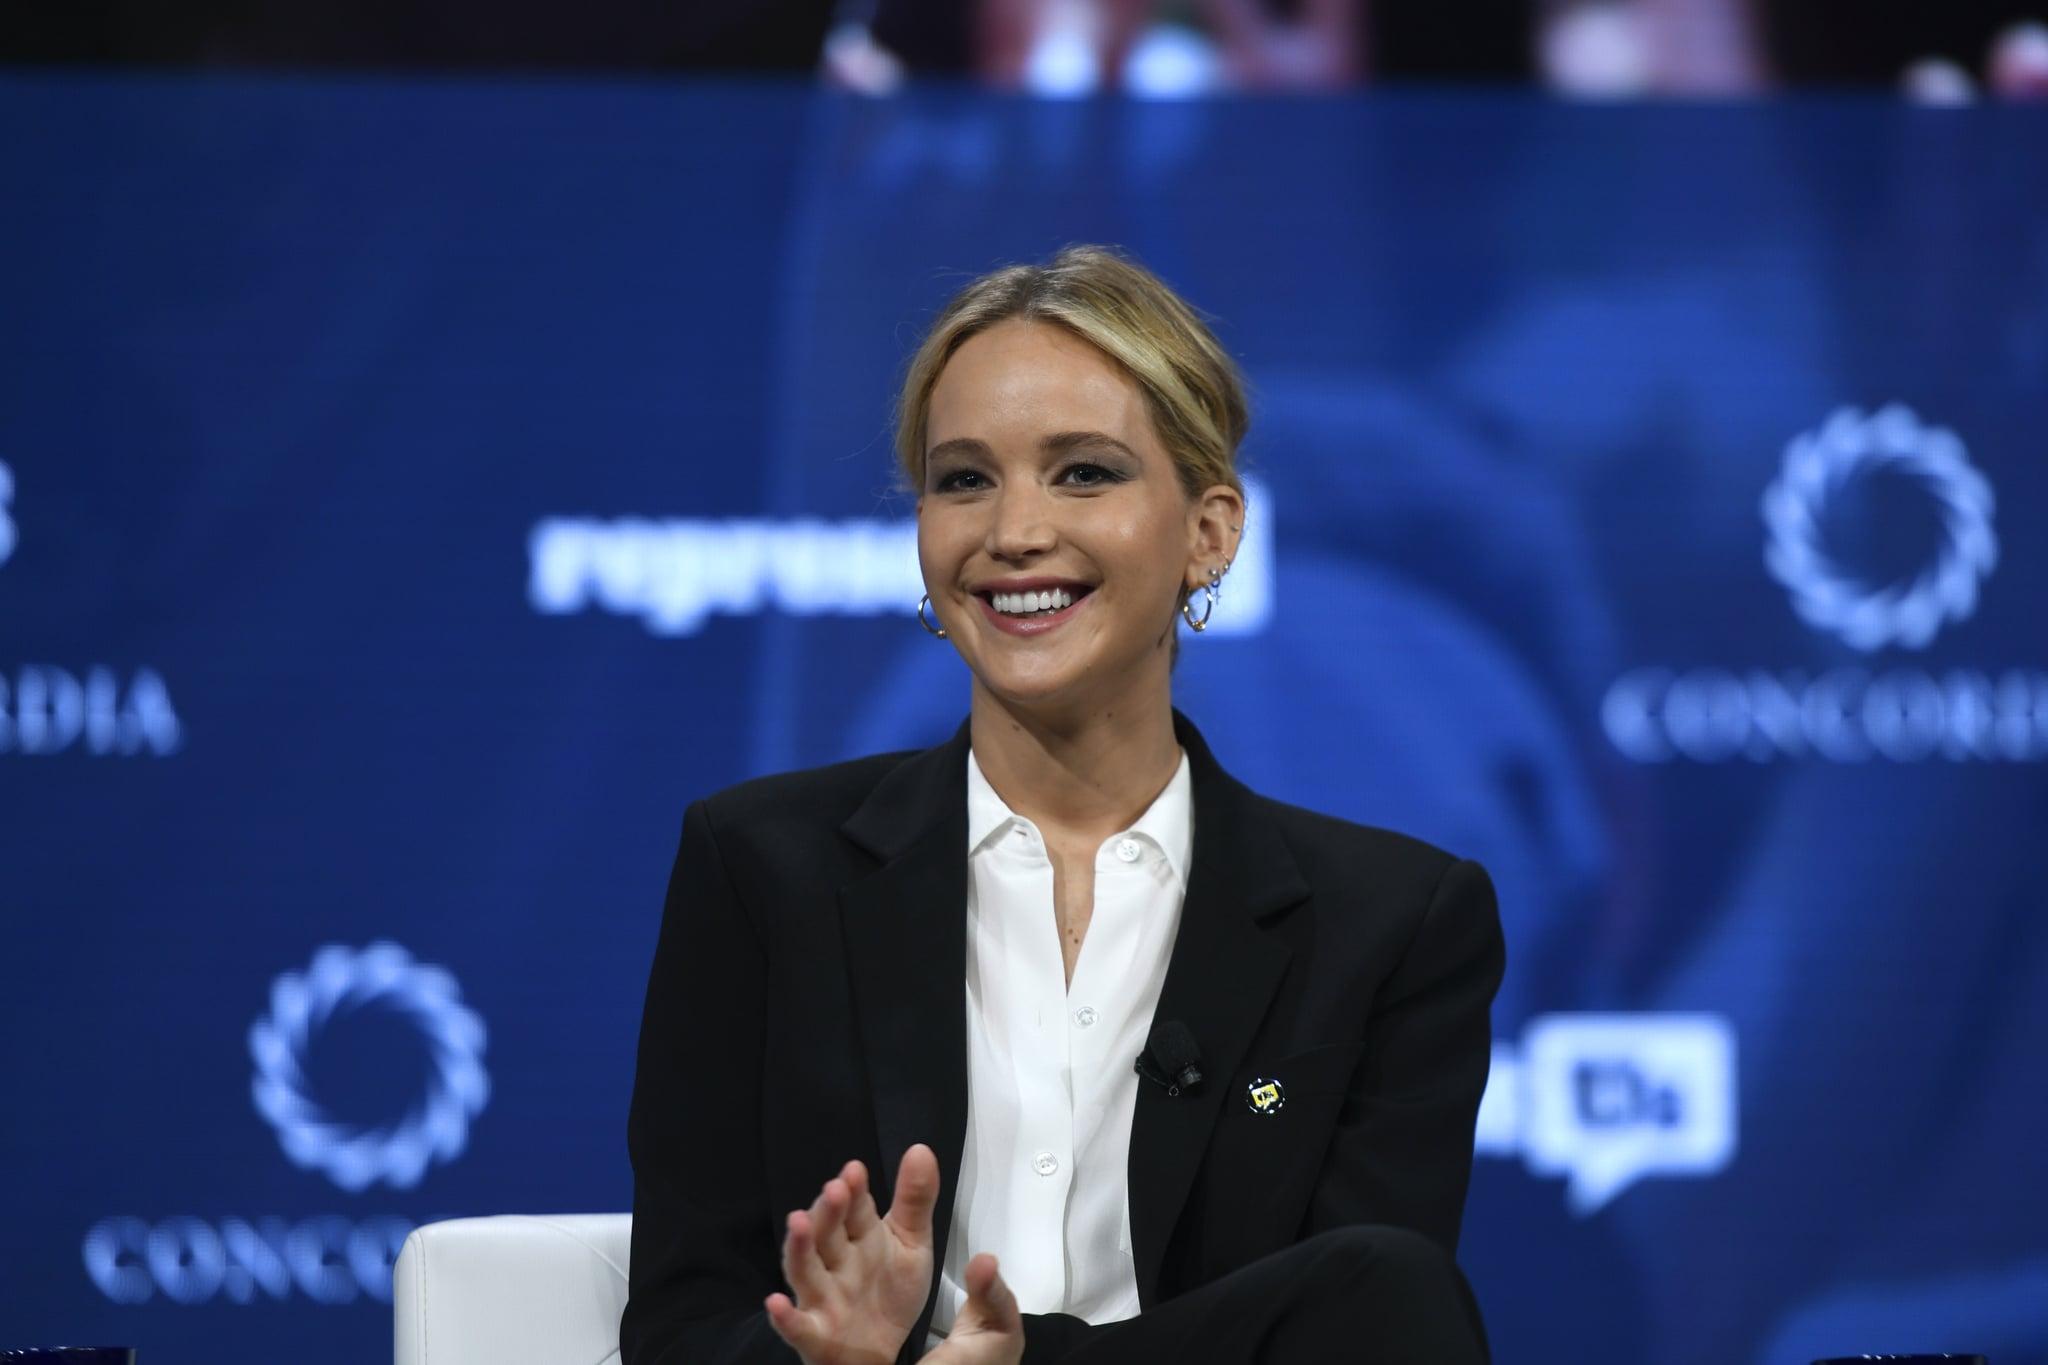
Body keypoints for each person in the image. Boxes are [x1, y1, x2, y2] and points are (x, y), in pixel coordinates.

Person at [622, 246, 1504, 1365]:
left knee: (1389, 1282)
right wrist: (827, 1357)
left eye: (1082, 472)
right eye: (963, 479)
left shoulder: (1391, 922)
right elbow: (679, 1330)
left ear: (1209, 532)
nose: (1013, 532)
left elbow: (1357, 1323)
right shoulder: (759, 868)